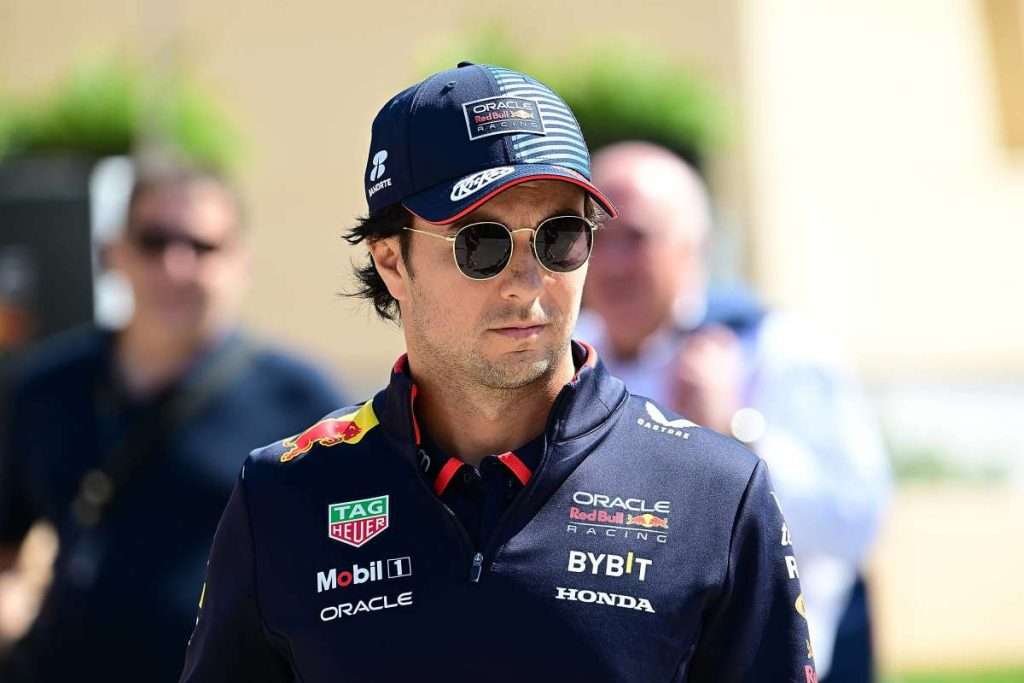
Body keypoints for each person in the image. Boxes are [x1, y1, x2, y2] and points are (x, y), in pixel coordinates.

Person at [180, 63, 817, 683]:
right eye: (481, 243)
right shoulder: (283, 495)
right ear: (392, 261)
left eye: (560, 237)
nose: (528, 281)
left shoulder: (717, 492)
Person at [0, 162, 347, 681]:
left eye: (201, 247)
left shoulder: (302, 402)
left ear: (241, 262)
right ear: (114, 252)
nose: (174, 265)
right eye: (153, 241)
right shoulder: (44, 388)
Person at [580, 141, 892, 681]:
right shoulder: (563, 355)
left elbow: (856, 522)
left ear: (694, 246)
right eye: (596, 237)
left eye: (637, 238)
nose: (611, 263)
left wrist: (734, 433)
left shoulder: (777, 351)